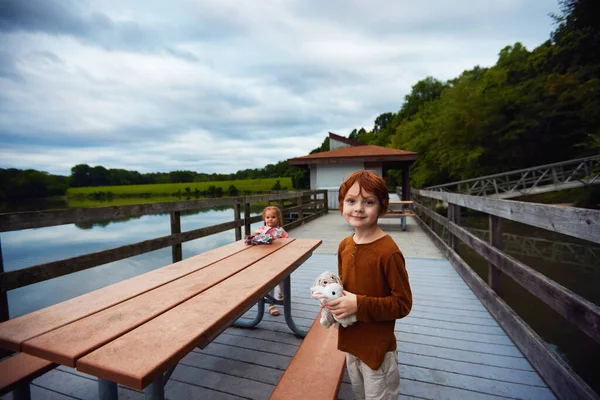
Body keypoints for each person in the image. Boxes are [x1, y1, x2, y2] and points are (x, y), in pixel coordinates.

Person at [326, 170, 412, 400]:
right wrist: (333, 301)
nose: (358, 208)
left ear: (382, 207)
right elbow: (345, 287)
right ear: (341, 204)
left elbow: (402, 304)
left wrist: (358, 305)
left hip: (377, 351)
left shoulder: (388, 252)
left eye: (369, 202)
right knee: (359, 393)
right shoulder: (345, 245)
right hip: (351, 342)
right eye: (351, 200)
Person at [254, 206, 288, 316]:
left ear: (278, 218)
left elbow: (288, 241)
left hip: (279, 259)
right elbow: (254, 239)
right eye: (267, 217)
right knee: (270, 282)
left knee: (283, 279)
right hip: (266, 259)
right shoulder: (261, 230)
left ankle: (282, 294)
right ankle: (271, 304)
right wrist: (256, 235)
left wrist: (281, 240)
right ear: (264, 219)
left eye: (273, 217)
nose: (270, 219)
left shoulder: (281, 231)